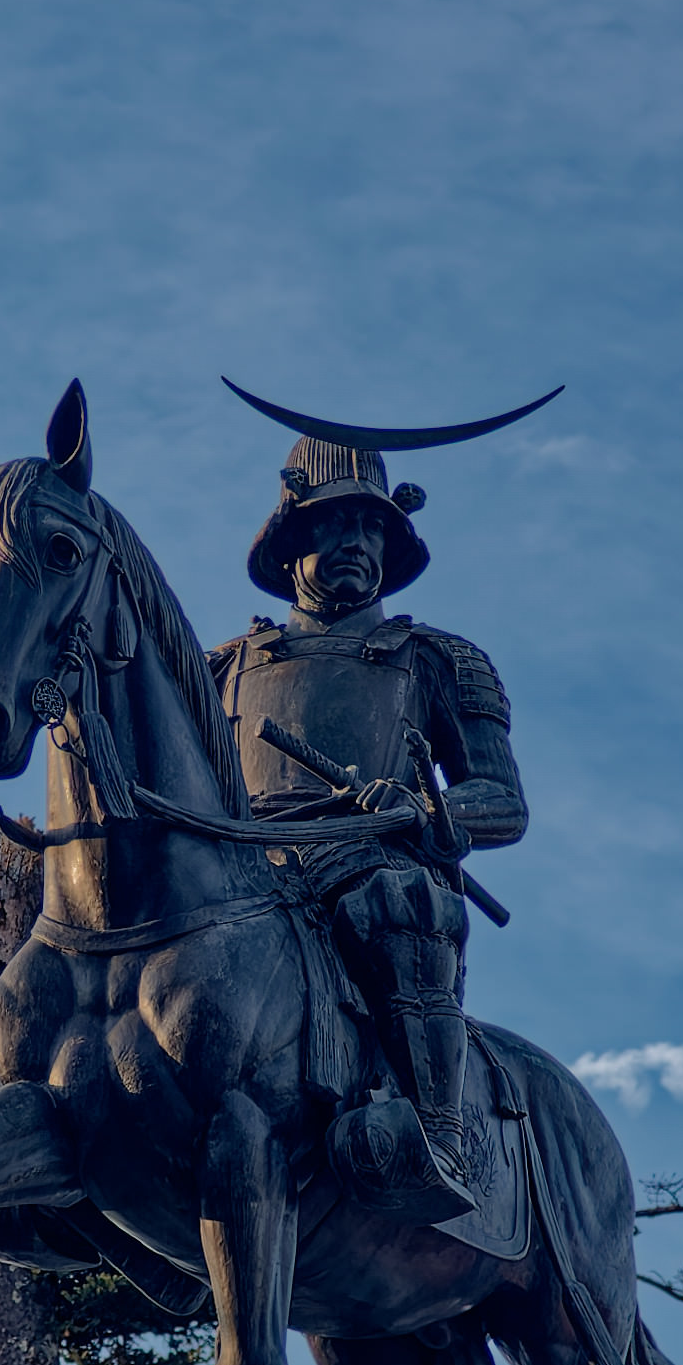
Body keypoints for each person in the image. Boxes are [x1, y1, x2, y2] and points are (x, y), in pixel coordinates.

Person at [213, 437, 526, 1223]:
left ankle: (437, 1135)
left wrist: (421, 809)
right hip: (242, 871)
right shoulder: (219, 669)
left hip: (368, 863)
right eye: (334, 523)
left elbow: (502, 801)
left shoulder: (439, 660)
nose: (356, 540)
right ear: (291, 542)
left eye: (373, 527)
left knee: (399, 904)